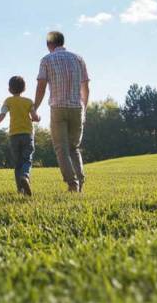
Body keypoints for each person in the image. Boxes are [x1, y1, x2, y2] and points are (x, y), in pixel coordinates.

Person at [33, 31, 90, 193]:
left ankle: (72, 184)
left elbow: (41, 86)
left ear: (49, 44)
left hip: (58, 108)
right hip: (77, 108)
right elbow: (85, 87)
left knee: (61, 149)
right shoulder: (78, 59)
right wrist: (84, 109)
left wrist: (35, 108)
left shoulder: (46, 60)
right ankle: (80, 182)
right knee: (74, 148)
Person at [0, 76, 40, 196]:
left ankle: (20, 189)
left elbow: (2, 114)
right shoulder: (29, 102)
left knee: (17, 163)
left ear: (9, 89)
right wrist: (38, 118)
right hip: (27, 134)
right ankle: (25, 176)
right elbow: (34, 117)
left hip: (14, 135)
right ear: (24, 88)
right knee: (27, 159)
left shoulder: (8, 101)